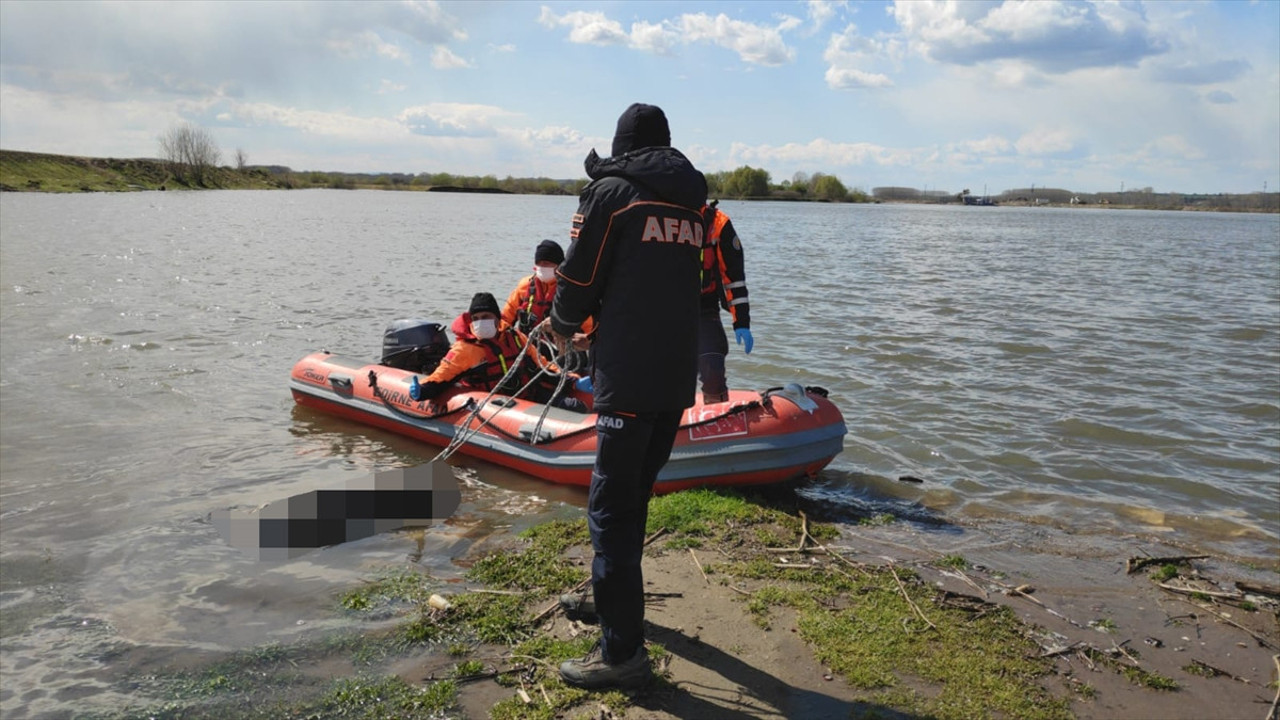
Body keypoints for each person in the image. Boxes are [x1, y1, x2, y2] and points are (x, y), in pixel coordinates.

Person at [542, 103, 707, 689]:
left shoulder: (610, 194)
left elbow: (580, 277)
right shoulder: (692, 201)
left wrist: (561, 325)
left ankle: (621, 655)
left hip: (629, 377)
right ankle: (613, 604)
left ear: (621, 144)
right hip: (672, 381)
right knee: (634, 496)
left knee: (611, 510)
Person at [409, 292, 587, 410]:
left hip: (527, 394)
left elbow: (541, 365)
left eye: (486, 317)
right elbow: (443, 376)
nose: (481, 322)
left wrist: (572, 381)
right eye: (476, 318)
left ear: (497, 318)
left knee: (575, 406)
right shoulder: (466, 349)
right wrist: (423, 390)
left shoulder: (515, 337)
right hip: (496, 406)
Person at [697, 200, 753, 404]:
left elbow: (734, 278)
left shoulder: (718, 223)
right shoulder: (652, 214)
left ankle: (716, 416)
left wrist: (742, 322)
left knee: (713, 369)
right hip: (659, 310)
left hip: (704, 309)